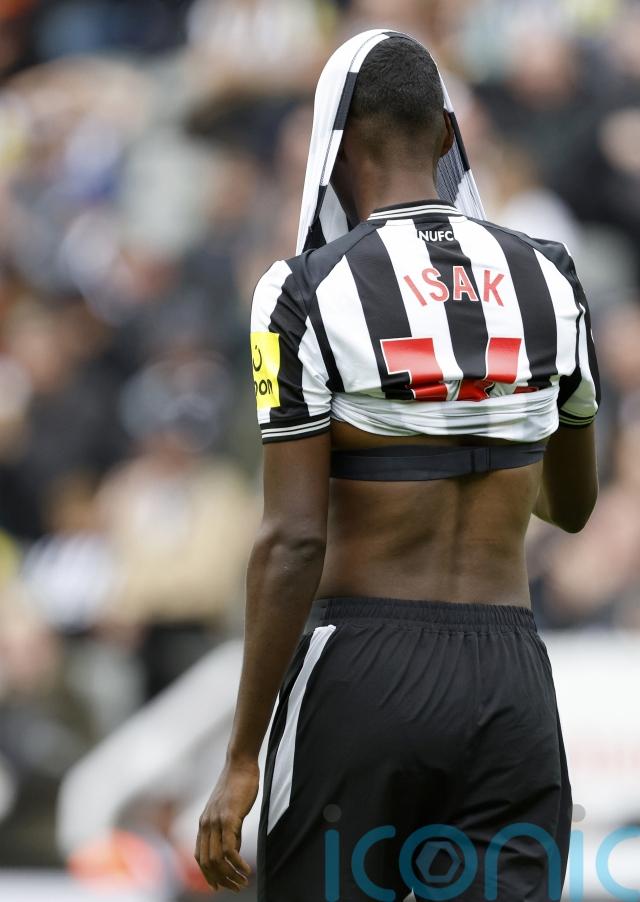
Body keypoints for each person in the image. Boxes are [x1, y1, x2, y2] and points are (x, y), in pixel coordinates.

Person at [195, 31, 599, 901]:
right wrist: (479, 419)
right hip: (511, 681)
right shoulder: (551, 276)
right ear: (448, 136)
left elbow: (293, 541)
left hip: (362, 674)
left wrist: (241, 756)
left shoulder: (301, 291)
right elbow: (572, 506)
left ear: (334, 147)